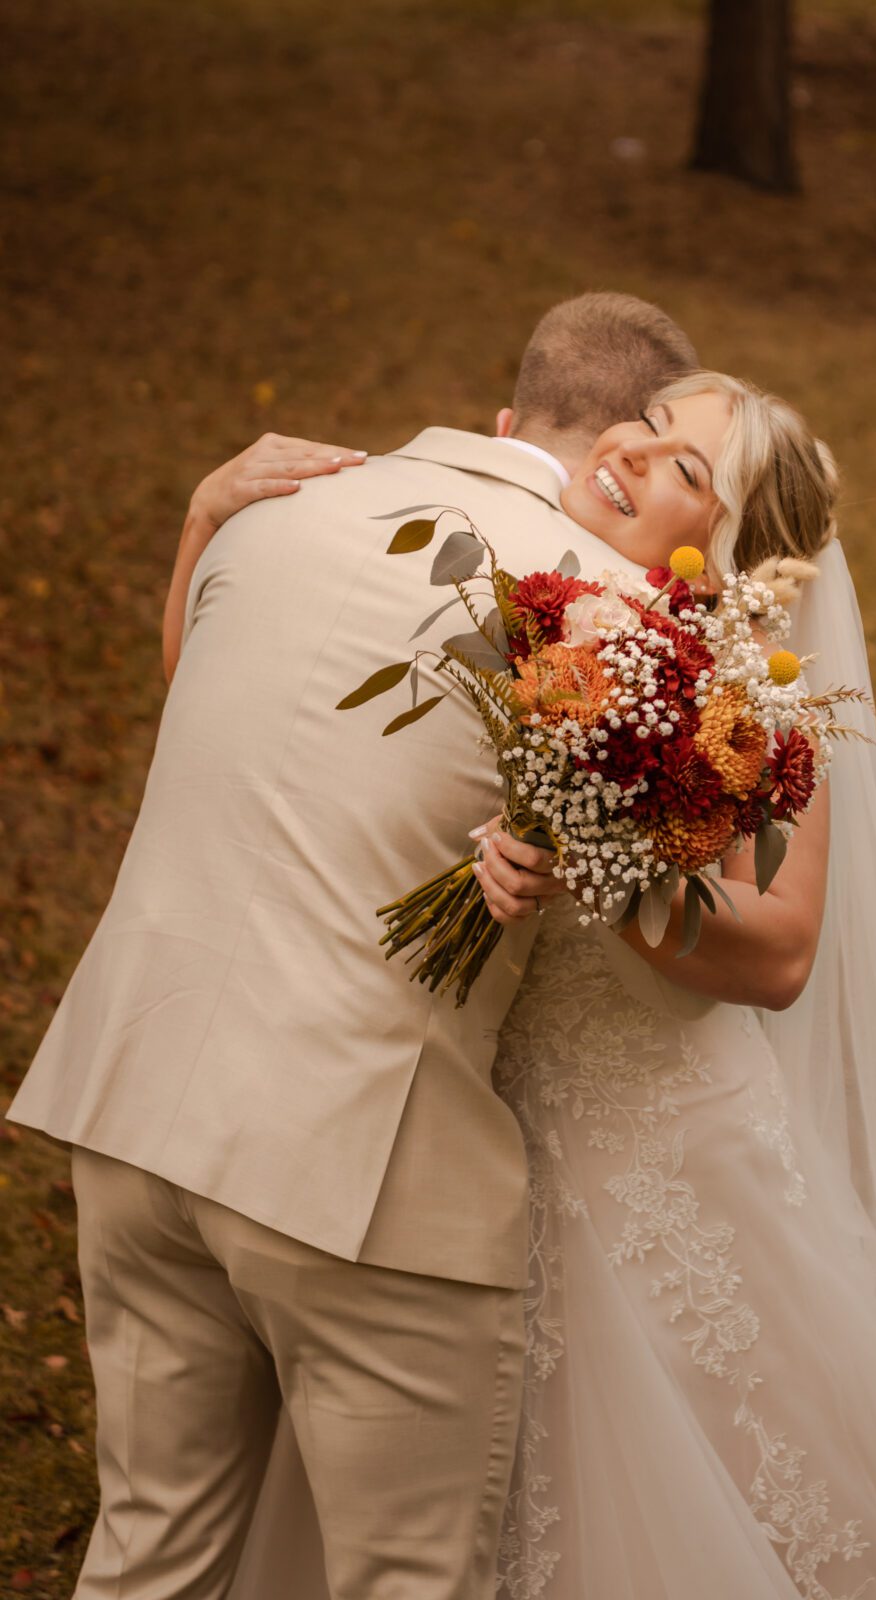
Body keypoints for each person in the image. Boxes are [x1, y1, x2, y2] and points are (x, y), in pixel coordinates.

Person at [191, 369, 876, 1597]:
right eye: (653, 426)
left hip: (658, 1158)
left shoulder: (749, 702)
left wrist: (595, 869)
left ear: (735, 550)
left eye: (690, 468)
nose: (639, 455)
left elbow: (783, 948)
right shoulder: (538, 613)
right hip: (469, 1146)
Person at [4, 292, 699, 1600]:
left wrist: (200, 521)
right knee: (401, 1581)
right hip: (362, 1168)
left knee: (150, 1557)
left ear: (503, 420)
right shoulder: (607, 611)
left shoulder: (264, 508)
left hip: (135, 1108)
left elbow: (230, 737)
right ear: (625, 451)